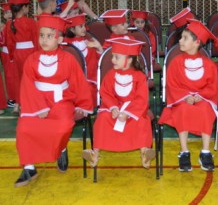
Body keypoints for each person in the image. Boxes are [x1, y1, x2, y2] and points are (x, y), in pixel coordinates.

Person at [14, 15, 94, 187]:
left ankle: (61, 148)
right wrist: (38, 107)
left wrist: (82, 105)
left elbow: (78, 82)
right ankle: (29, 167)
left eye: (49, 36)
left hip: (61, 100)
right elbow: (27, 85)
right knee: (24, 127)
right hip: (36, 101)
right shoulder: (31, 60)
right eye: (41, 35)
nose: (44, 39)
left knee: (64, 125)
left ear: (59, 38)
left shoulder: (68, 59)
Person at [82, 38, 155, 169]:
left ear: (129, 59)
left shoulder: (139, 77)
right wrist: (114, 107)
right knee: (102, 119)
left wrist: (128, 113)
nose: (112, 60)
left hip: (133, 110)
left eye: (116, 57)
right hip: (113, 109)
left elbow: (141, 98)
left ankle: (145, 154)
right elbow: (106, 93)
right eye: (113, 57)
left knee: (142, 122)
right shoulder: (111, 74)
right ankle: (95, 154)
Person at [158, 19, 218, 172]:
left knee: (206, 109)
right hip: (181, 100)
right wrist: (185, 96)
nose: (180, 40)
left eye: (185, 38)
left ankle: (205, 151)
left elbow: (212, 87)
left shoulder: (209, 64)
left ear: (197, 42)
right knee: (183, 109)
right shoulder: (176, 62)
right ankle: (184, 151)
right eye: (181, 37)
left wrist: (202, 96)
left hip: (203, 99)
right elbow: (172, 85)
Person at [6, 0, 38, 113]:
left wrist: (11, 56)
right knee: (30, 79)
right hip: (30, 53)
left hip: (17, 53)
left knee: (18, 79)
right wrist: (37, 54)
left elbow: (10, 43)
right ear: (24, 8)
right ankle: (30, 103)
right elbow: (36, 40)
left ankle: (18, 104)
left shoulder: (10, 23)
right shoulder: (30, 22)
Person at [64, 13, 103, 106]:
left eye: (84, 26)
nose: (84, 29)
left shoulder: (89, 41)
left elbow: (99, 59)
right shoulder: (65, 45)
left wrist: (98, 47)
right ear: (72, 29)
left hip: (89, 78)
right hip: (72, 80)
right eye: (80, 26)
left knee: (89, 90)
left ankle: (89, 113)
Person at [0, 2, 19, 112]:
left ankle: (16, 98)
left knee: (15, 76)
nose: (9, 14)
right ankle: (12, 99)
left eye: (10, 12)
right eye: (6, 12)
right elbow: (2, 42)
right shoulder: (4, 26)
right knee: (9, 76)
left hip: (15, 53)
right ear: (3, 15)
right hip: (7, 54)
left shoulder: (15, 24)